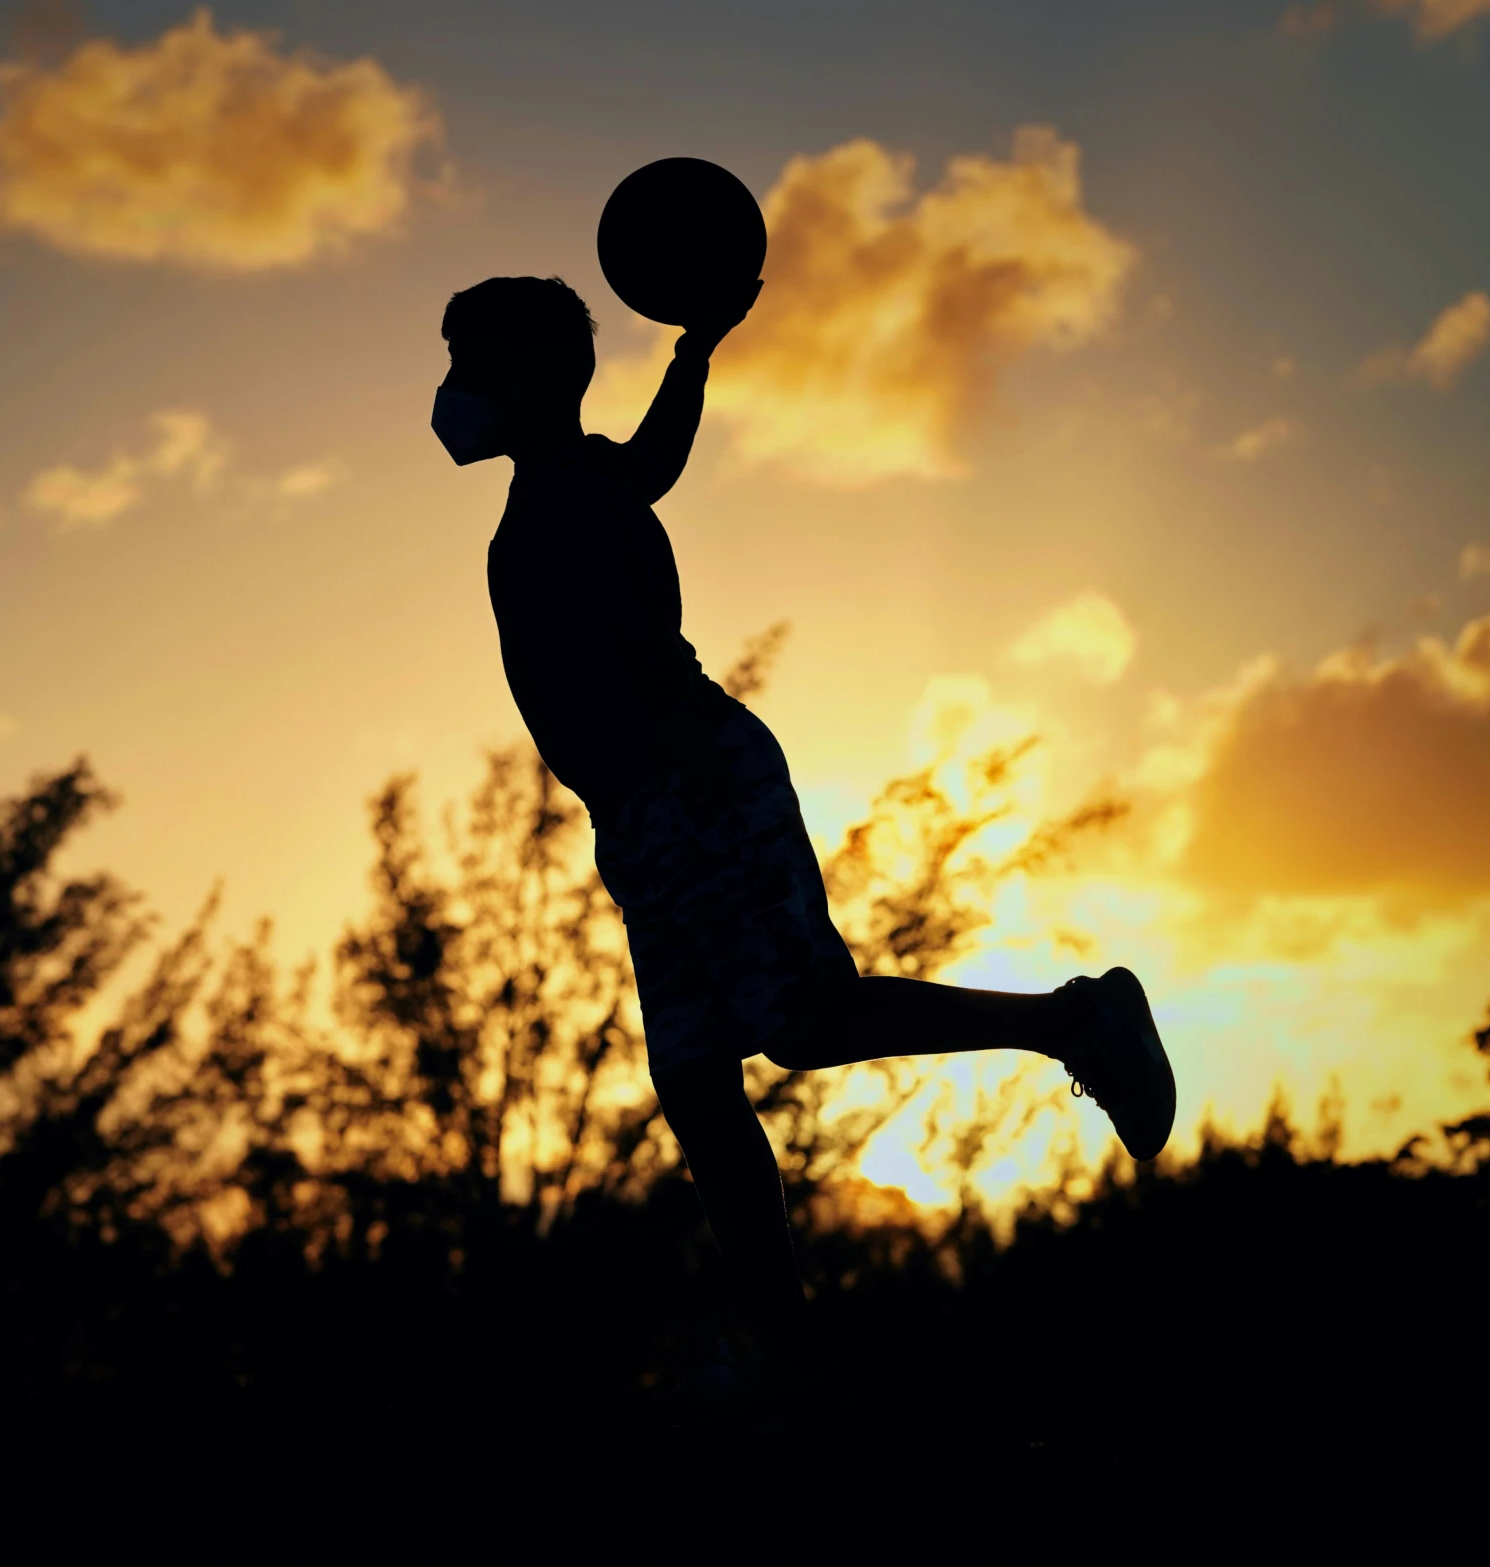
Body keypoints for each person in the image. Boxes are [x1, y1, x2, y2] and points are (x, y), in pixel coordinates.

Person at [433, 274, 1174, 1412]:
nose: (449, 391)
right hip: (644, 816)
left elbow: (633, 623)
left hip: (686, 788)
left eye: (466, 363)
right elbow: (656, 459)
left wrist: (672, 784)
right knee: (695, 1080)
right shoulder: (575, 480)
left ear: (527, 378)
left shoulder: (569, 500)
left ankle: (1075, 1019)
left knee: (804, 1025)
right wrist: (692, 354)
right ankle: (784, 1345)